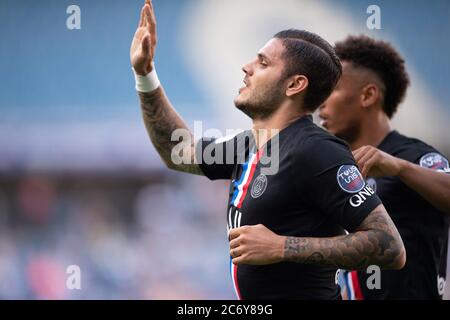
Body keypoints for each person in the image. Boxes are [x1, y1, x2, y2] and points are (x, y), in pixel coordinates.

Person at [130, 0, 405, 299]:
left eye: (263, 63)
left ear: (294, 85)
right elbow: (176, 151)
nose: (246, 67)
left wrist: (281, 246)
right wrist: (145, 74)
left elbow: (389, 245)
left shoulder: (316, 151)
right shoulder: (251, 145)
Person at [320, 35, 450, 299]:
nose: (320, 101)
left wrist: (399, 168)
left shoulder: (412, 156)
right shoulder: (338, 166)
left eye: (331, 89)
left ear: (368, 95)